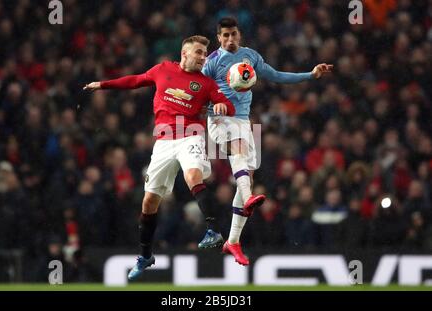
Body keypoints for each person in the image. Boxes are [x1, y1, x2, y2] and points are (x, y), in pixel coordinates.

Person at [83, 35, 235, 280]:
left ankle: (214, 230)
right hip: (163, 143)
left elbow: (228, 105)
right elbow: (135, 80)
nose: (202, 57)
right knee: (148, 204)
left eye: (205, 53)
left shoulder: (206, 84)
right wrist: (103, 84)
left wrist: (221, 107)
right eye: (198, 52)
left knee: (193, 175)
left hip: (190, 136)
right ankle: (145, 256)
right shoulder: (163, 69)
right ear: (184, 53)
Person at [202, 17, 333, 265]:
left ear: (239, 35)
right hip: (219, 120)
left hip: (242, 122)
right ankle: (249, 196)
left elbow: (276, 75)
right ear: (219, 38)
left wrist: (311, 74)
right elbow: (198, 89)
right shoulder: (211, 62)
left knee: (247, 176)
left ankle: (233, 241)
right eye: (225, 35)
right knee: (240, 157)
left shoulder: (250, 56)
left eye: (234, 34)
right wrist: (208, 105)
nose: (230, 39)